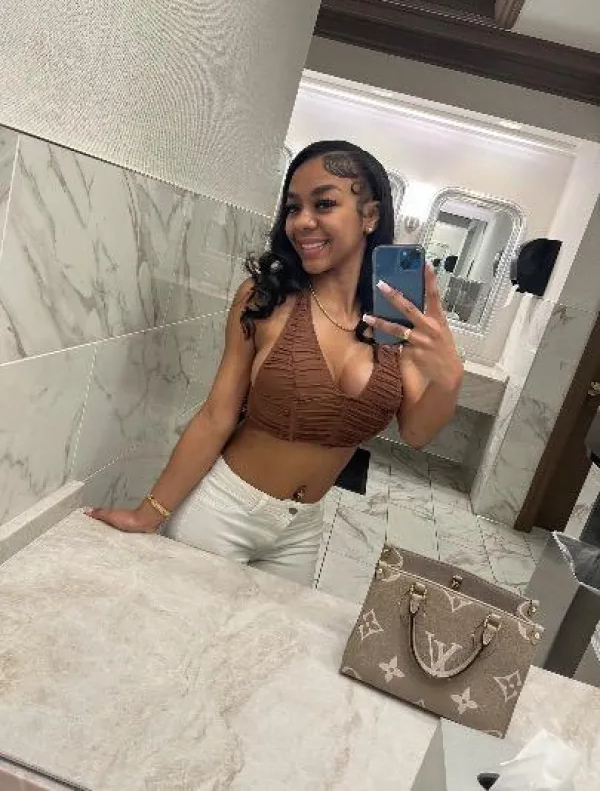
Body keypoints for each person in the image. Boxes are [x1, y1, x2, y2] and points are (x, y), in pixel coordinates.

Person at [88, 141, 463, 586]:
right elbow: (216, 416)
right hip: (223, 513)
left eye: (324, 203)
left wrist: (449, 377)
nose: (301, 221)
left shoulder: (394, 321)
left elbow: (417, 433)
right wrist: (147, 514)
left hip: (300, 532)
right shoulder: (266, 299)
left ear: (370, 215)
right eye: (292, 207)